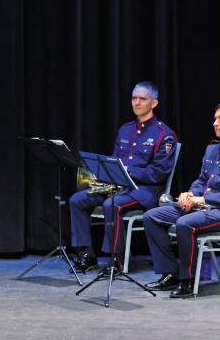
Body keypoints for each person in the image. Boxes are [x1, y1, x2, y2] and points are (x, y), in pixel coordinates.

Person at [143, 103, 220, 298]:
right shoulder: (212, 149)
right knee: (151, 217)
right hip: (203, 207)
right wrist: (189, 194)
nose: (215, 123)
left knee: (184, 223)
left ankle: (186, 280)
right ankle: (169, 273)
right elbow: (202, 180)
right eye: (215, 118)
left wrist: (199, 199)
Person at [69, 81, 177, 272]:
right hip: (119, 186)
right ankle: (87, 255)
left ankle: (116, 259)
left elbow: (158, 174)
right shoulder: (125, 129)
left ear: (154, 103)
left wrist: (128, 171)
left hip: (145, 191)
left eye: (142, 99)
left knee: (112, 204)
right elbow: (114, 161)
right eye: (134, 98)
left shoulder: (164, 134)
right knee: (77, 200)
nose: (136, 102)